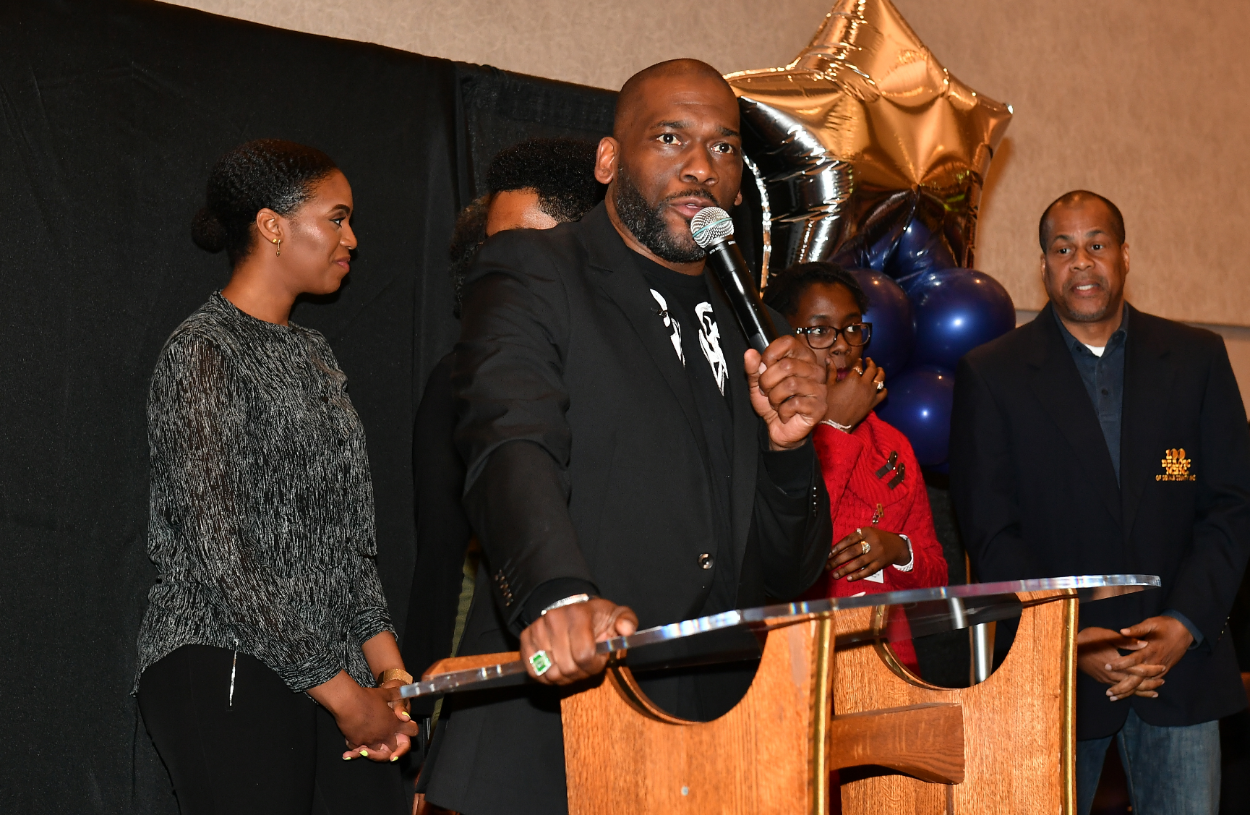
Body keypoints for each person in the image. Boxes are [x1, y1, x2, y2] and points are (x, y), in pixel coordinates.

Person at [420, 59, 832, 815]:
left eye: (724, 148)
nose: (700, 167)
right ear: (610, 160)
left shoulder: (762, 331)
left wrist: (790, 449)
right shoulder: (534, 272)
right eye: (670, 137)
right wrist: (557, 592)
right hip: (553, 739)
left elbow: (789, 573)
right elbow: (513, 439)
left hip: (719, 745)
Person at [135, 139, 418, 815]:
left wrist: (390, 672)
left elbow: (347, 545)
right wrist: (346, 696)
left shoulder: (313, 353)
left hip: (331, 670)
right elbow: (222, 553)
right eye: (337, 217)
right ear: (272, 225)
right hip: (226, 654)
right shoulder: (202, 349)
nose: (353, 237)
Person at [949, 190, 1250, 815]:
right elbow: (990, 531)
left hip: (1182, 668)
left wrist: (1185, 625)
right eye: (1063, 249)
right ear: (1043, 266)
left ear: (1125, 255)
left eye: (1096, 245)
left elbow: (1231, 507)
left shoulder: (1197, 359)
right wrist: (1069, 638)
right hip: (1053, 668)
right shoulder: (992, 372)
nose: (1081, 262)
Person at [402, 139, 603, 702]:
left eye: (520, 246)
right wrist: (421, 699)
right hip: (501, 647)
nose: (501, 264)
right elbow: (440, 555)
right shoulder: (465, 373)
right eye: (493, 248)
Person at [764, 262, 947, 670]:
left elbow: (936, 577)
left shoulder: (891, 445)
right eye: (819, 331)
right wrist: (834, 427)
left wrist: (900, 551)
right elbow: (790, 546)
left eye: (851, 328)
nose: (842, 345)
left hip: (889, 670)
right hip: (798, 668)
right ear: (779, 337)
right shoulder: (764, 436)